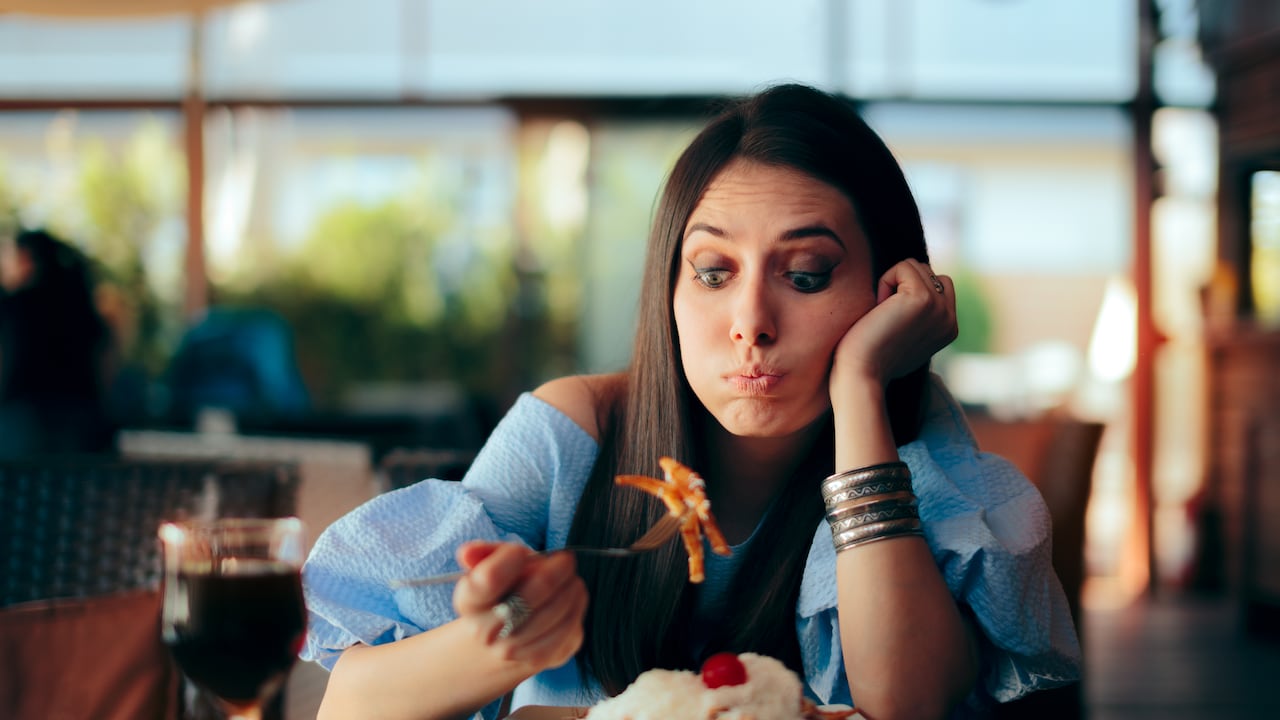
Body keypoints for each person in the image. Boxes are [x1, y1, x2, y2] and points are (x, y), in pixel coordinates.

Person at [301, 83, 1081, 719]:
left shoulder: (911, 448)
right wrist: (506, 636)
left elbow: (908, 704)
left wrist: (857, 387)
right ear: (668, 289)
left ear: (885, 294)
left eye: (805, 275)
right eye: (713, 272)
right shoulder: (576, 432)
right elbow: (351, 707)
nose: (750, 324)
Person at [0, 228, 115, 457]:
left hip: (24, 423)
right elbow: (105, 365)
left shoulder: (16, 307)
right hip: (82, 423)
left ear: (26, 258)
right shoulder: (81, 308)